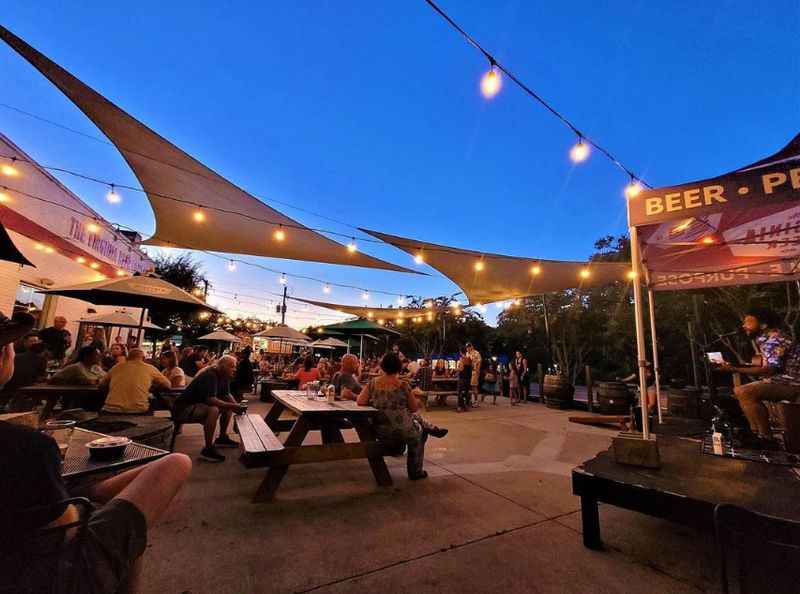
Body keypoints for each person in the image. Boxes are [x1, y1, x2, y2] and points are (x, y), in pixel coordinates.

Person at [0, 420, 191, 594]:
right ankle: (96, 496)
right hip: (43, 573)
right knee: (176, 462)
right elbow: (66, 531)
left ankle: (95, 492)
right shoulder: (26, 443)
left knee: (110, 500)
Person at [716, 308, 800, 444]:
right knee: (742, 391)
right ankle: (758, 435)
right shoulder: (767, 340)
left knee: (745, 391)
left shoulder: (775, 341)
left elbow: (769, 370)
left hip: (793, 383)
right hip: (785, 381)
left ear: (763, 325)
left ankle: (765, 438)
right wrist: (735, 367)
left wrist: (734, 369)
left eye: (748, 322)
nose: (744, 326)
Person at [357, 352, 429, 480]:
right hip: (403, 429)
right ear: (398, 367)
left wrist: (376, 401)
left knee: (415, 426)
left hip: (381, 429)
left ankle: (427, 429)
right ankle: (415, 471)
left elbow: (360, 401)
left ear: (383, 366)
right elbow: (413, 408)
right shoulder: (403, 385)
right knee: (420, 433)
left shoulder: (373, 383)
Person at [173, 356, 246, 462]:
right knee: (213, 410)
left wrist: (236, 406)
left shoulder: (223, 375)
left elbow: (226, 394)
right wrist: (234, 406)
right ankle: (208, 448)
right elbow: (211, 400)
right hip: (183, 409)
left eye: (235, 367)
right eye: (232, 367)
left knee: (227, 407)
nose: (235, 369)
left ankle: (222, 438)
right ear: (223, 366)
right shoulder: (210, 375)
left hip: (196, 406)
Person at [101, 348, 172, 414]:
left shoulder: (117, 367)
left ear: (127, 358)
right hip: (138, 409)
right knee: (161, 411)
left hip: (111, 408)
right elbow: (168, 385)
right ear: (143, 358)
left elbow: (101, 384)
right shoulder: (150, 368)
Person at [457, 348, 472, 412]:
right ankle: (465, 406)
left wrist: (456, 369)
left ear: (461, 352)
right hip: (468, 377)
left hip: (462, 377)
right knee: (466, 392)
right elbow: (472, 367)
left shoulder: (462, 359)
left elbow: (461, 369)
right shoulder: (469, 359)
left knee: (460, 392)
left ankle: (460, 407)